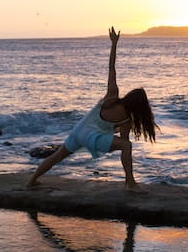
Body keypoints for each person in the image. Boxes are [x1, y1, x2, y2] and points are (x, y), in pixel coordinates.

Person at [27, 27, 157, 190]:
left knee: (57, 156)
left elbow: (112, 69)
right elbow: (124, 142)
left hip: (78, 130)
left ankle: (31, 181)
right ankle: (130, 183)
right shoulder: (127, 119)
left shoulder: (112, 97)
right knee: (127, 146)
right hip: (91, 137)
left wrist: (114, 44)